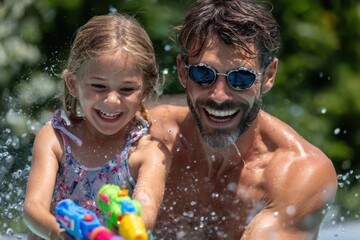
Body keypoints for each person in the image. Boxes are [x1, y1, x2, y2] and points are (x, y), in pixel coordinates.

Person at [149, 0, 338, 239]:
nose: (219, 96)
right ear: (183, 72)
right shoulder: (150, 135)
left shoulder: (298, 173)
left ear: (268, 76)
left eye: (240, 78)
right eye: (203, 74)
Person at [23, 14, 171, 240]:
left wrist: (131, 222)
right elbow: (33, 208)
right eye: (98, 86)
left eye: (127, 89)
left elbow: (147, 209)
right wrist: (61, 234)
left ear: (146, 90)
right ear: (73, 84)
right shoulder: (56, 140)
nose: (112, 100)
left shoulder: (147, 152)